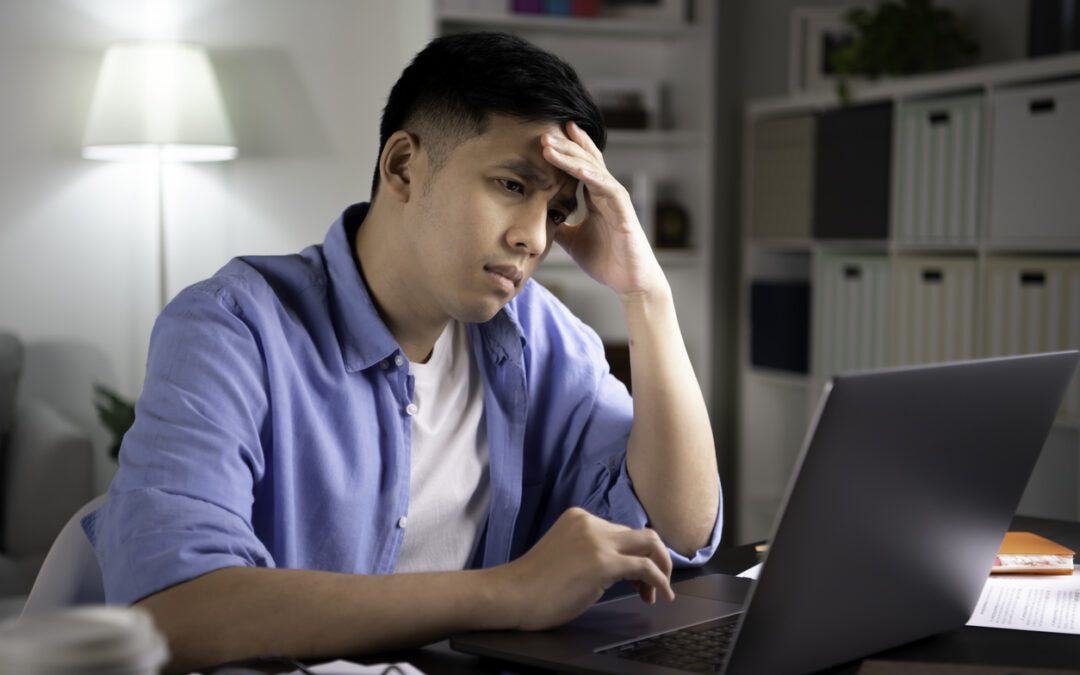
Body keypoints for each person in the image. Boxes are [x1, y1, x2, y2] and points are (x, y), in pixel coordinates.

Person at [84, 32, 722, 673]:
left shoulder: (541, 334)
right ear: (402, 167)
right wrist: (510, 592)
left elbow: (679, 528)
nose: (533, 237)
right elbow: (173, 610)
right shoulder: (232, 328)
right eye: (509, 184)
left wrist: (647, 295)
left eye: (556, 212)